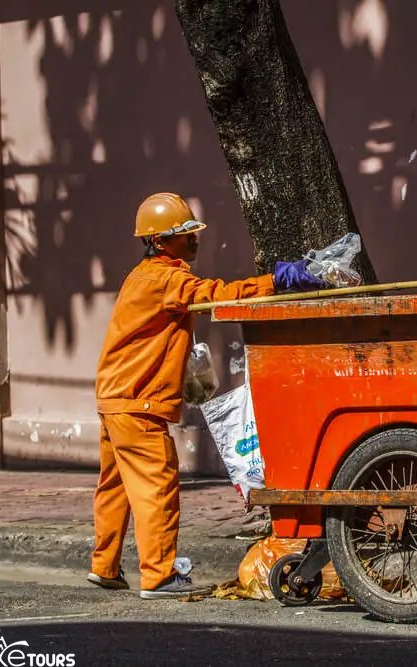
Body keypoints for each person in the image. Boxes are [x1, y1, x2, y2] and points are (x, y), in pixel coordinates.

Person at [87, 192, 324, 599]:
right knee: (156, 484)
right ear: (160, 241)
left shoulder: (141, 276)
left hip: (115, 399)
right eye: (184, 235)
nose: (194, 240)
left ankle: (104, 566)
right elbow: (219, 295)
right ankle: (159, 576)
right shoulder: (166, 279)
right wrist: (276, 280)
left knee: (117, 487)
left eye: (194, 232)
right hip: (138, 402)